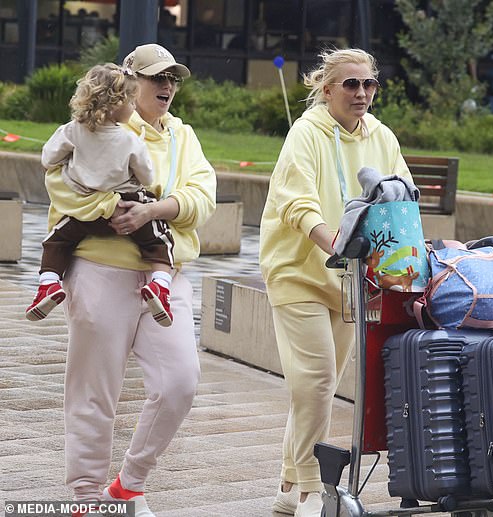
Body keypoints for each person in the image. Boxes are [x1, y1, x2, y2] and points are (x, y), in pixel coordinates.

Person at [43, 43, 216, 517]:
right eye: (156, 78)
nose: (166, 86)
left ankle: (129, 483)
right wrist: (107, 210)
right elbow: (57, 182)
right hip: (100, 269)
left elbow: (203, 195)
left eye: (173, 79)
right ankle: (85, 498)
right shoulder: (97, 125)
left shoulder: (184, 135)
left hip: (166, 272)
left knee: (180, 381)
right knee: (93, 391)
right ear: (129, 80)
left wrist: (155, 209)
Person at [259, 48, 412, 517]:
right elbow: (298, 205)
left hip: (352, 281)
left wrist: (402, 253)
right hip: (297, 271)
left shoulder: (381, 135)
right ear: (326, 90)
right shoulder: (305, 133)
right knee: (318, 380)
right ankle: (310, 492)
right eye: (351, 85)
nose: (362, 93)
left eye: (369, 84)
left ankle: (288, 484)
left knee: (316, 387)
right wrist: (339, 245)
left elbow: (401, 194)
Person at [26, 63, 176, 328]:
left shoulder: (73, 130)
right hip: (127, 209)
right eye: (130, 100)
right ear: (115, 104)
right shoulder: (130, 141)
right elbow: (148, 178)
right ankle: (160, 288)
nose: (133, 106)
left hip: (85, 213)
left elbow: (48, 159)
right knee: (159, 241)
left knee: (57, 241)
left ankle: (48, 284)